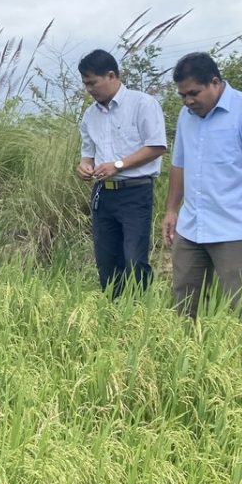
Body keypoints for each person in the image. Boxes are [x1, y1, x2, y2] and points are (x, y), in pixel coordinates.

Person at [161, 52, 242, 317]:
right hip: (192, 226)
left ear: (215, 82)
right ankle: (187, 355)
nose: (188, 101)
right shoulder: (186, 115)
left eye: (194, 93)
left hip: (234, 228)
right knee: (184, 304)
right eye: (182, 95)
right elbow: (179, 164)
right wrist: (171, 210)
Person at [76, 49, 167, 298]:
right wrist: (84, 166)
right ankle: (112, 314)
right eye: (85, 84)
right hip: (103, 196)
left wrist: (118, 165)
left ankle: (138, 312)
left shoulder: (143, 104)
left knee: (135, 260)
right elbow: (88, 153)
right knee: (106, 262)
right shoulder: (90, 115)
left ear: (111, 76)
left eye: (93, 83)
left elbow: (157, 146)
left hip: (135, 193)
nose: (89, 89)